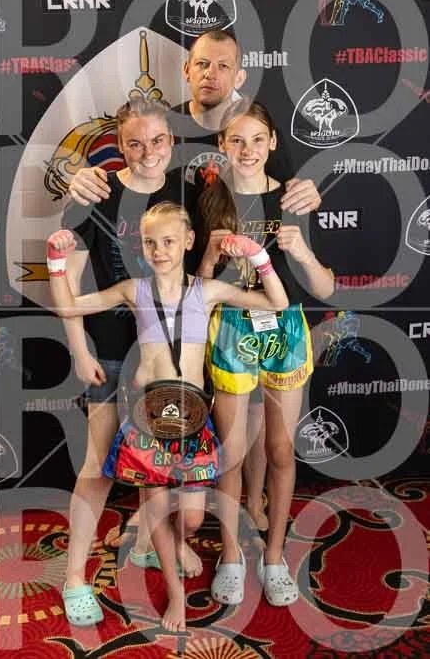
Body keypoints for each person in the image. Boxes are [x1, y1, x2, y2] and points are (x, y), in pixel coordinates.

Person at [66, 29, 322, 539]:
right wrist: (80, 174)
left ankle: (251, 504)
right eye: (202, 64)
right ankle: (160, 520)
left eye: (223, 66)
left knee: (246, 419)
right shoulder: (165, 128)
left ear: (239, 75)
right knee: (169, 424)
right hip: (159, 305)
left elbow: (288, 191)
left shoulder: (250, 126)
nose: (212, 74)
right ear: (186, 70)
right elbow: (125, 167)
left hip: (221, 305)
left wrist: (309, 193)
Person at [48, 201, 289, 630]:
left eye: (169, 241)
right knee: (157, 507)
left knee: (192, 518)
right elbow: (69, 308)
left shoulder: (207, 291)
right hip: (149, 419)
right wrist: (56, 262)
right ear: (141, 247)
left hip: (193, 420)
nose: (159, 251)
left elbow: (278, 302)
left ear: (189, 242)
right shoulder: (133, 289)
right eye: (150, 243)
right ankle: (176, 596)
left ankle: (164, 546)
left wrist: (258, 256)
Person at [59, 98, 199, 624]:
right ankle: (74, 576)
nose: (148, 152)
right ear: (119, 146)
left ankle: (144, 541)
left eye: (158, 140)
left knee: (160, 468)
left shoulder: (188, 193)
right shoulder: (95, 194)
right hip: (113, 352)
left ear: (171, 142)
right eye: (135, 143)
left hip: (172, 362)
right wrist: (79, 350)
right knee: (97, 465)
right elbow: (68, 282)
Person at [197, 99, 334, 606]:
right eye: (236, 140)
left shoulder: (293, 199)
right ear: (221, 145)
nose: (248, 149)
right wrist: (209, 257)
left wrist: (303, 252)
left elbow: (326, 285)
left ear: (273, 142)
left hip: (285, 330)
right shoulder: (209, 199)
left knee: (279, 449)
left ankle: (274, 557)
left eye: (258, 139)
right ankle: (232, 555)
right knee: (232, 452)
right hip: (232, 328)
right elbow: (197, 288)